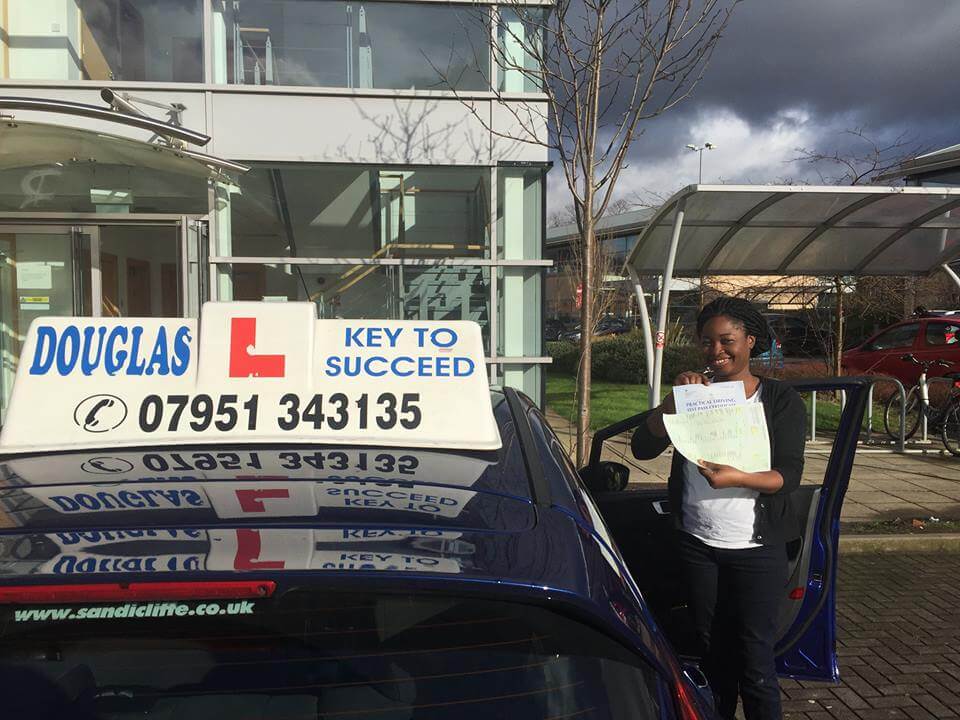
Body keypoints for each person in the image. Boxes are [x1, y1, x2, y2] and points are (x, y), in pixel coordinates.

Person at [632, 297, 806, 720]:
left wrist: (739, 477)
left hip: (755, 547)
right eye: (707, 342)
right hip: (698, 542)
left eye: (727, 340)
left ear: (750, 341)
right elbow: (642, 446)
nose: (716, 351)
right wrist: (673, 403)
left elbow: (787, 476)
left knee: (755, 661)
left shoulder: (779, 399)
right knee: (712, 654)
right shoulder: (695, 397)